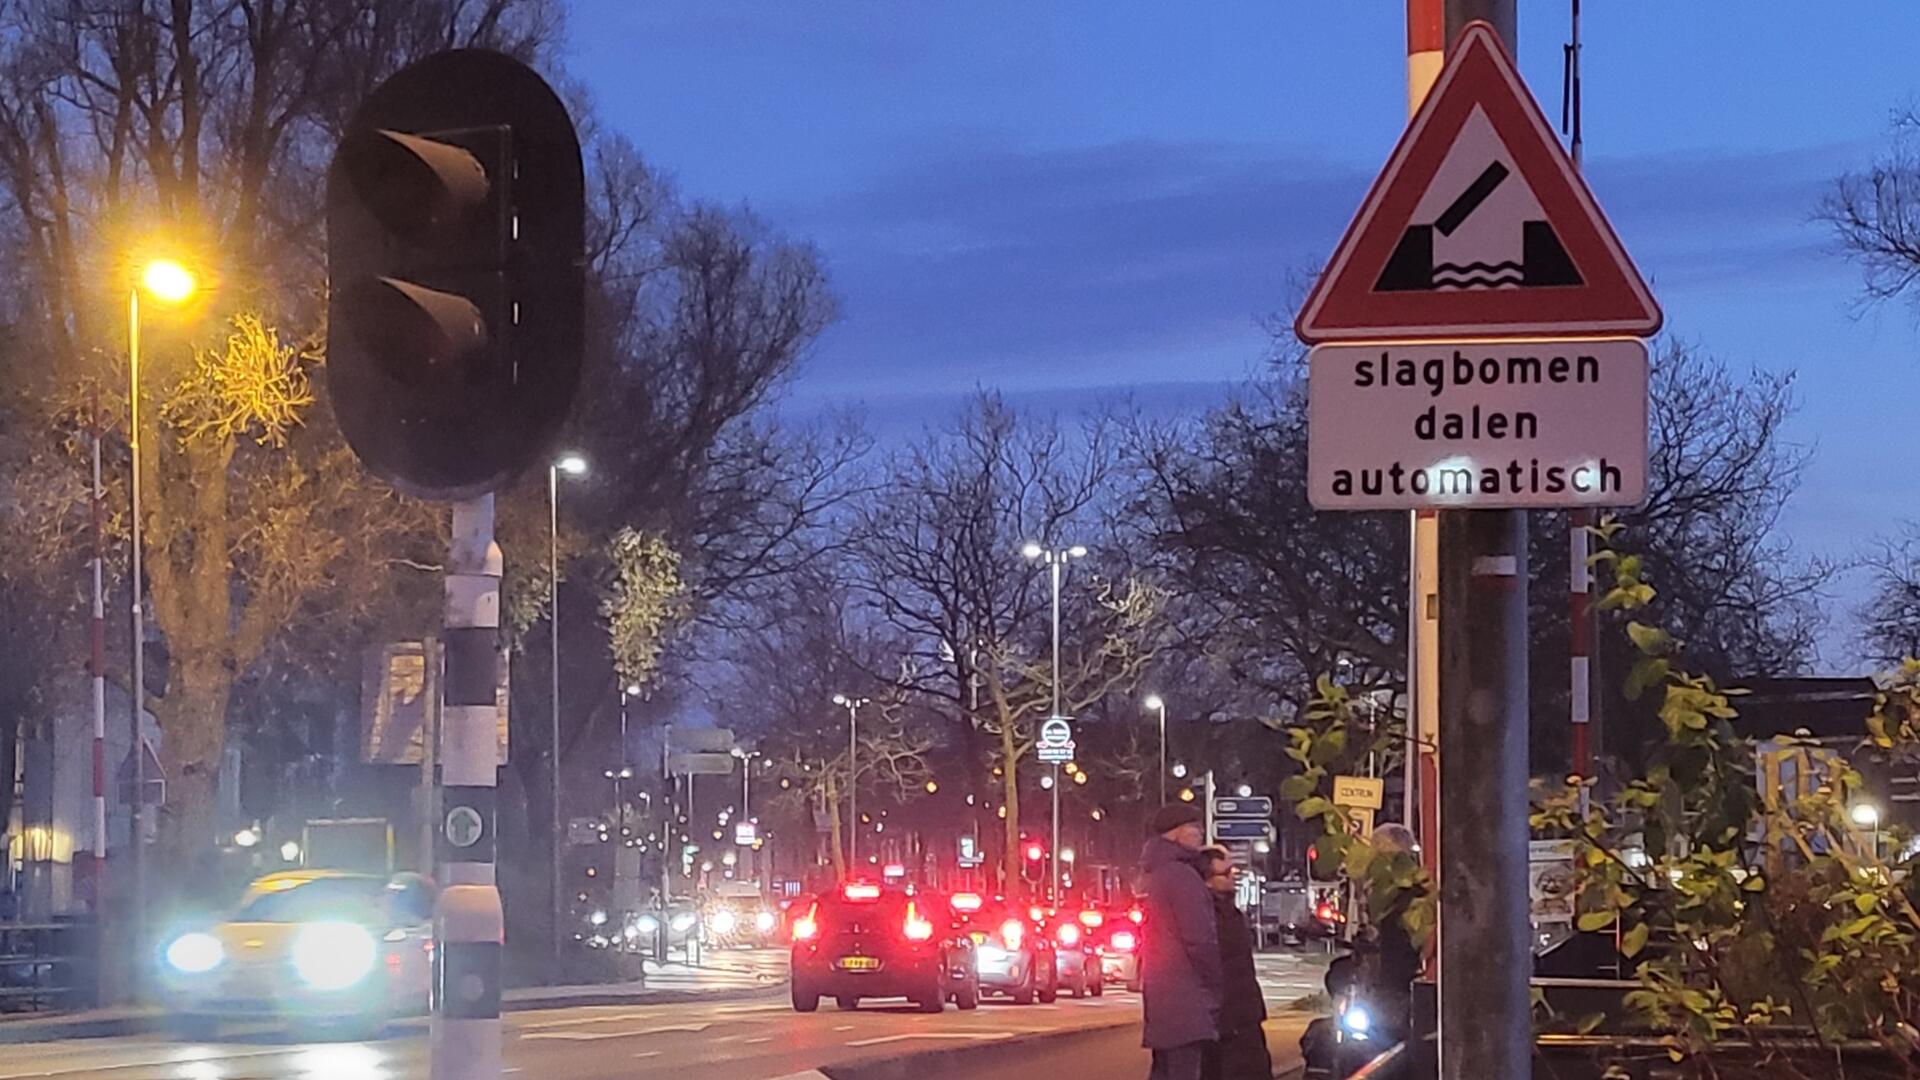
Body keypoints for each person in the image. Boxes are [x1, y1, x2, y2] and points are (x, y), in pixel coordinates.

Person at [1139, 803, 1223, 1080]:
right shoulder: (1183, 877)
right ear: (1175, 833)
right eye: (1193, 827)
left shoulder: (1156, 872)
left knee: (1164, 1070)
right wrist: (1214, 987)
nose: (1200, 833)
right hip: (1187, 997)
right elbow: (1200, 939)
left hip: (1163, 996)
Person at [1199, 846, 1272, 1080]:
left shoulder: (1233, 913)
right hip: (1225, 1019)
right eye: (1225, 872)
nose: (1233, 876)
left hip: (1245, 1013)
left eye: (1233, 870)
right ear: (1207, 881)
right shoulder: (1204, 915)